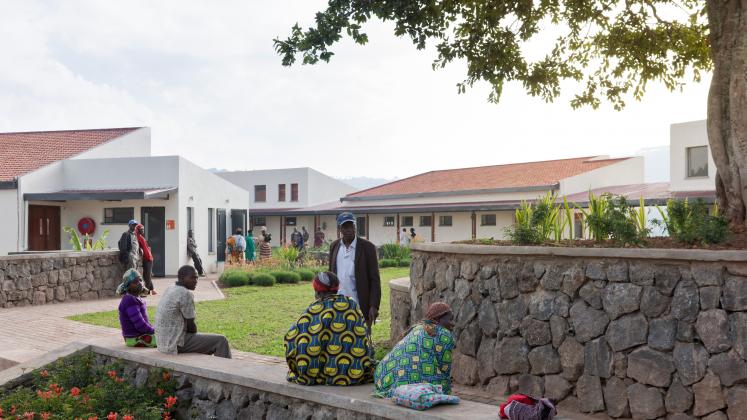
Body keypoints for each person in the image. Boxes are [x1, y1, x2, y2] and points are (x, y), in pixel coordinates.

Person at [284, 271, 375, 386]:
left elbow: (291, 337)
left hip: (319, 373)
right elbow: (363, 336)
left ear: (316, 292)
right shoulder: (351, 304)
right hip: (353, 373)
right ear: (336, 289)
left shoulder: (314, 309)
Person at [374, 302, 455, 397]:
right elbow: (445, 367)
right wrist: (446, 388)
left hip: (383, 378)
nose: (453, 324)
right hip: (412, 382)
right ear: (438, 319)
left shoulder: (417, 328)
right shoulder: (444, 334)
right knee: (441, 385)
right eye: (450, 319)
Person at [155, 265, 231, 358]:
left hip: (162, 343)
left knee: (205, 340)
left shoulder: (170, 289)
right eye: (192, 278)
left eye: (197, 278)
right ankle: (225, 370)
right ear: (182, 278)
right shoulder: (185, 293)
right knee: (221, 341)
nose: (195, 281)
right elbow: (192, 327)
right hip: (174, 344)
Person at [328, 212, 381, 328]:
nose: (349, 230)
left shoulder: (368, 247)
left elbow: (375, 280)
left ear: (355, 227)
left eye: (351, 226)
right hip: (337, 304)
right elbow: (331, 276)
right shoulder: (334, 246)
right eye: (345, 227)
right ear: (340, 229)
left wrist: (374, 305)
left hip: (360, 305)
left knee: (362, 340)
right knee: (339, 339)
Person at [116, 269, 156, 348]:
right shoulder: (129, 300)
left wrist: (154, 328)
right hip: (133, 338)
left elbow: (145, 323)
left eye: (140, 280)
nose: (140, 284)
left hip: (141, 335)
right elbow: (140, 325)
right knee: (165, 340)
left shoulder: (136, 298)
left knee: (165, 336)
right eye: (135, 282)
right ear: (128, 286)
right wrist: (154, 331)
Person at [135, 224, 156, 294]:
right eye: (141, 229)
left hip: (149, 258)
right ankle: (151, 290)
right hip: (146, 258)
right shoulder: (137, 237)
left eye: (143, 229)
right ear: (138, 230)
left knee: (147, 275)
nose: (143, 230)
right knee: (147, 275)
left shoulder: (140, 237)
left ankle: (149, 290)